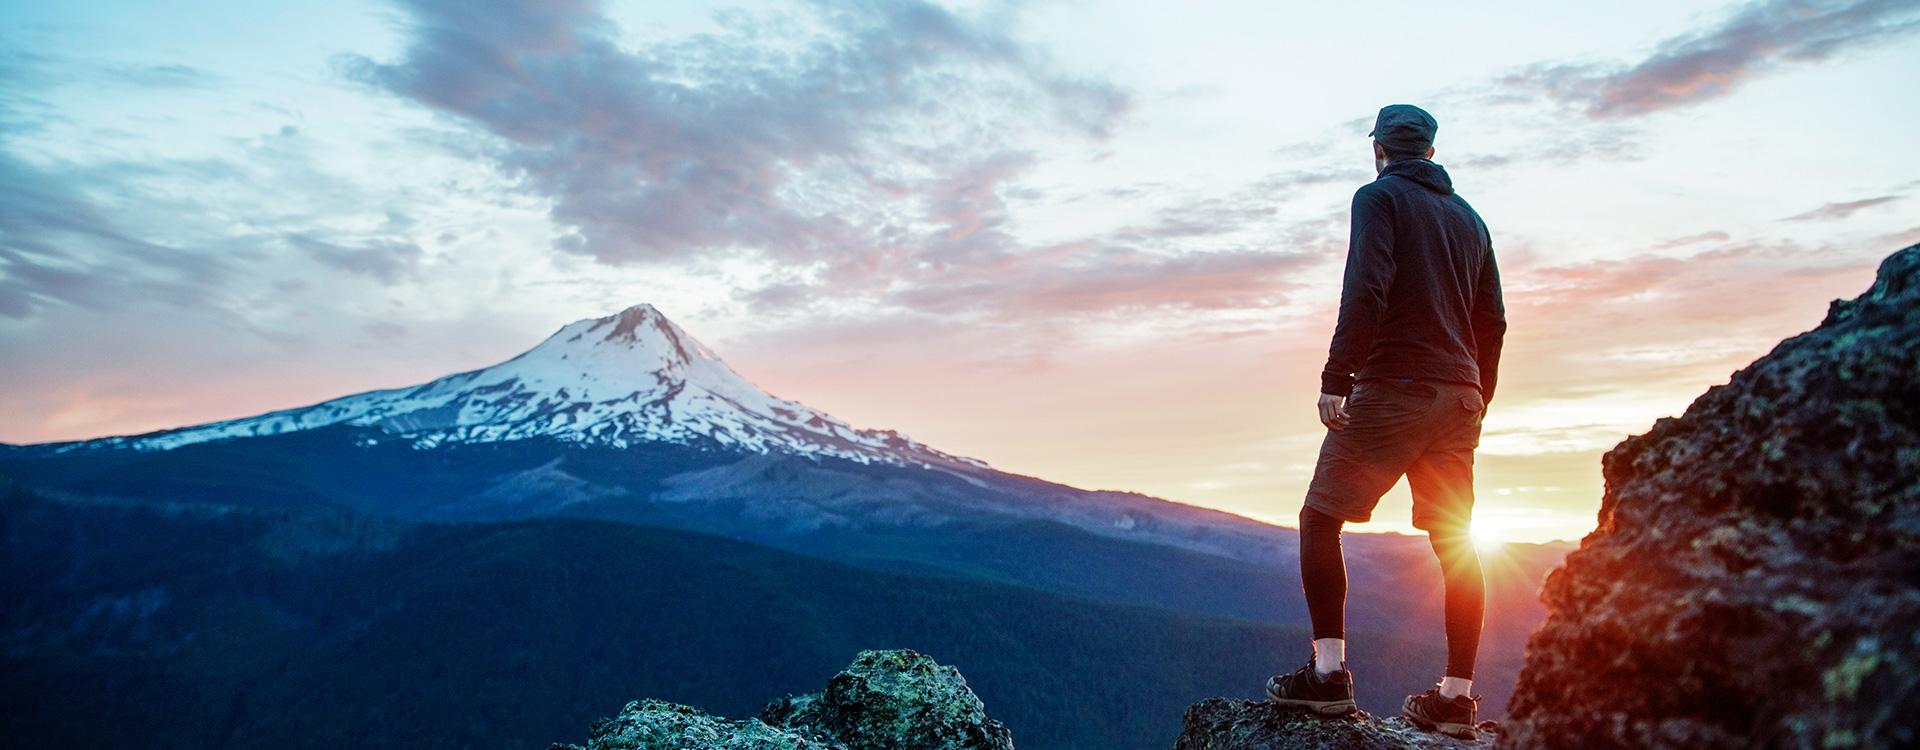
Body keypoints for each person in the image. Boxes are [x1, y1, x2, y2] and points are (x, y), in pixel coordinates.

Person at [1263, 104, 1505, 740]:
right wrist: (1479, 394)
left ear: (1379, 149)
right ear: (1429, 149)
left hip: (1394, 384)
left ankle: (1326, 677)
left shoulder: (1378, 198)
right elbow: (1493, 321)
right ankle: (1456, 697)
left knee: (1320, 518)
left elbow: (1365, 287)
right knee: (1456, 540)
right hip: (1459, 397)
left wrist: (1335, 380)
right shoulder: (1470, 219)